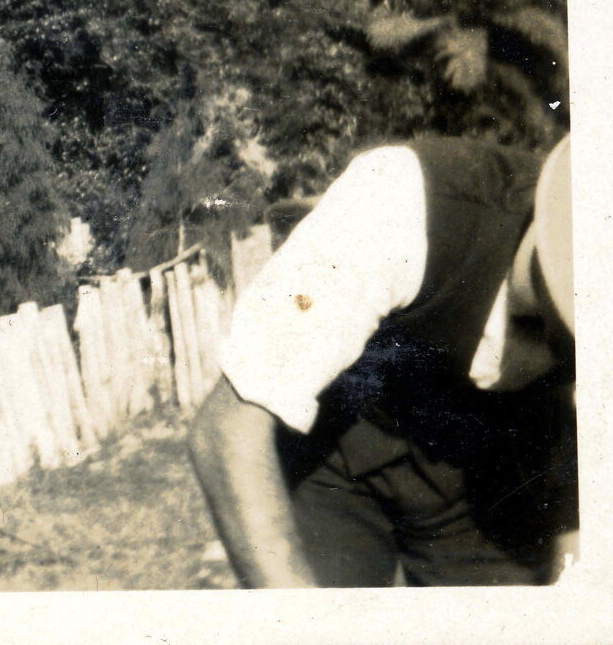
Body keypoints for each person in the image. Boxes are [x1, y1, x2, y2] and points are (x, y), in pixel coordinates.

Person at [189, 135, 575, 587]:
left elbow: (584, 486)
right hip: (334, 460)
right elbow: (229, 427)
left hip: (484, 480)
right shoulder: (398, 200)